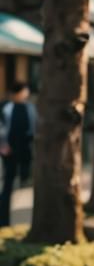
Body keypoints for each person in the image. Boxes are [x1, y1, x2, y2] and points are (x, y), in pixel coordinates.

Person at [0, 82, 37, 228]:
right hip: (9, 151)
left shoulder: (29, 107)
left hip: (26, 151)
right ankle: (4, 221)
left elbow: (33, 128)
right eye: (24, 91)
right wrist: (3, 145)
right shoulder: (6, 107)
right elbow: (2, 128)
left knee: (26, 183)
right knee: (8, 185)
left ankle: (25, 222)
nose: (26, 94)